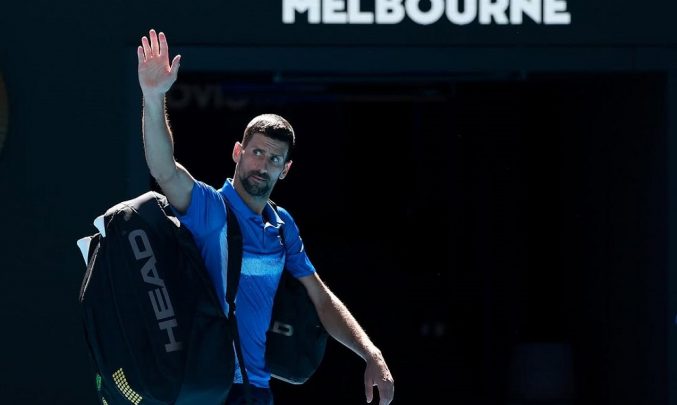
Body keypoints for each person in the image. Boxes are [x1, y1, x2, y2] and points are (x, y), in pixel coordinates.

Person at [136, 29, 395, 405]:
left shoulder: (282, 225)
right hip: (207, 387)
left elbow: (321, 300)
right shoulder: (210, 208)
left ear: (285, 169)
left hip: (256, 391)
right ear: (238, 152)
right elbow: (164, 169)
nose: (263, 165)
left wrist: (371, 353)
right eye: (256, 153)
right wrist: (153, 95)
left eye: (274, 159)